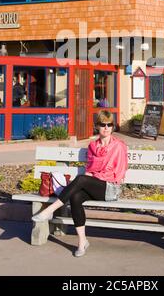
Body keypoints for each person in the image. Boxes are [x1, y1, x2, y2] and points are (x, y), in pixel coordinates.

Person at [32, 109, 128, 257]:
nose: (107, 128)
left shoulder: (119, 146)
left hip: (110, 188)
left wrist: (96, 176)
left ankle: (49, 210)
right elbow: (90, 169)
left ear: (113, 126)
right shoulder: (92, 146)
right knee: (75, 197)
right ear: (97, 126)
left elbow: (120, 173)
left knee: (82, 179)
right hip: (95, 185)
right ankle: (82, 242)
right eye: (103, 124)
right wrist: (92, 176)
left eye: (110, 125)